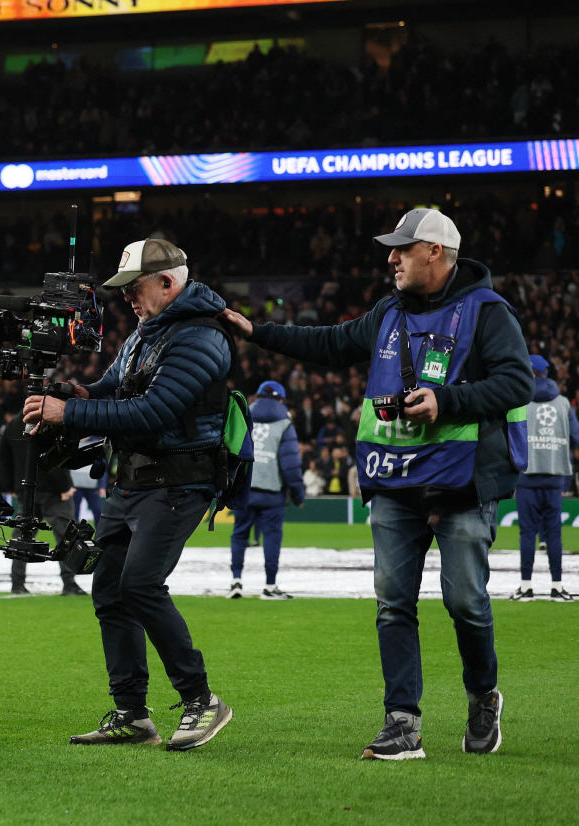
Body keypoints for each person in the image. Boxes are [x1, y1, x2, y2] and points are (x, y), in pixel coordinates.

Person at [221, 208, 533, 759]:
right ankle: (401, 721)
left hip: (461, 485)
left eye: (402, 248)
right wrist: (257, 332)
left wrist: (449, 399)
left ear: (434, 251)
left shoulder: (489, 311)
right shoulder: (387, 312)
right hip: (394, 481)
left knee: (466, 603)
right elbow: (330, 344)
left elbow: (516, 382)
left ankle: (484, 697)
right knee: (393, 603)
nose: (391, 258)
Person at [24, 238, 234, 752]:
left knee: (140, 585)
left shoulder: (201, 337)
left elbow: (152, 412)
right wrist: (75, 394)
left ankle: (201, 700)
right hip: (134, 479)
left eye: (134, 289)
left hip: (179, 480)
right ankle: (132, 714)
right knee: (111, 591)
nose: (128, 301)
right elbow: (112, 390)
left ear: (167, 283)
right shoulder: (148, 334)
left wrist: (67, 414)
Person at [511, 355, 579, 602]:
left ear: (529, 373)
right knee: (554, 534)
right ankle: (557, 587)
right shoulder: (563, 403)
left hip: (527, 477)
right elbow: (575, 439)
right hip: (555, 477)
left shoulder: (519, 401)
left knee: (527, 533)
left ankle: (526, 587)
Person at [229, 381, 306, 600]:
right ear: (281, 400)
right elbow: (290, 464)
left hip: (245, 490)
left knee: (239, 535)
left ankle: (236, 581)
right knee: (272, 538)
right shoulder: (284, 424)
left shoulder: (244, 418)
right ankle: (270, 586)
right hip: (272, 494)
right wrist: (298, 495)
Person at [0, 424, 84, 596]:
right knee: (65, 537)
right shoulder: (48, 422)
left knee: (22, 537)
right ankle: (69, 583)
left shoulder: (13, 425)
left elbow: (3, 459)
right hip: (53, 490)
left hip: (26, 490)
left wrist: (11, 485)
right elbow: (55, 456)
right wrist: (64, 486)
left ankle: (17, 583)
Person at [70, 435, 105, 527]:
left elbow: (102, 466)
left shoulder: (97, 443)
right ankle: (73, 535)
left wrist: (102, 485)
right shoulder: (71, 443)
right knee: (74, 513)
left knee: (98, 511)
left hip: (92, 485)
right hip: (75, 485)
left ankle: (100, 535)